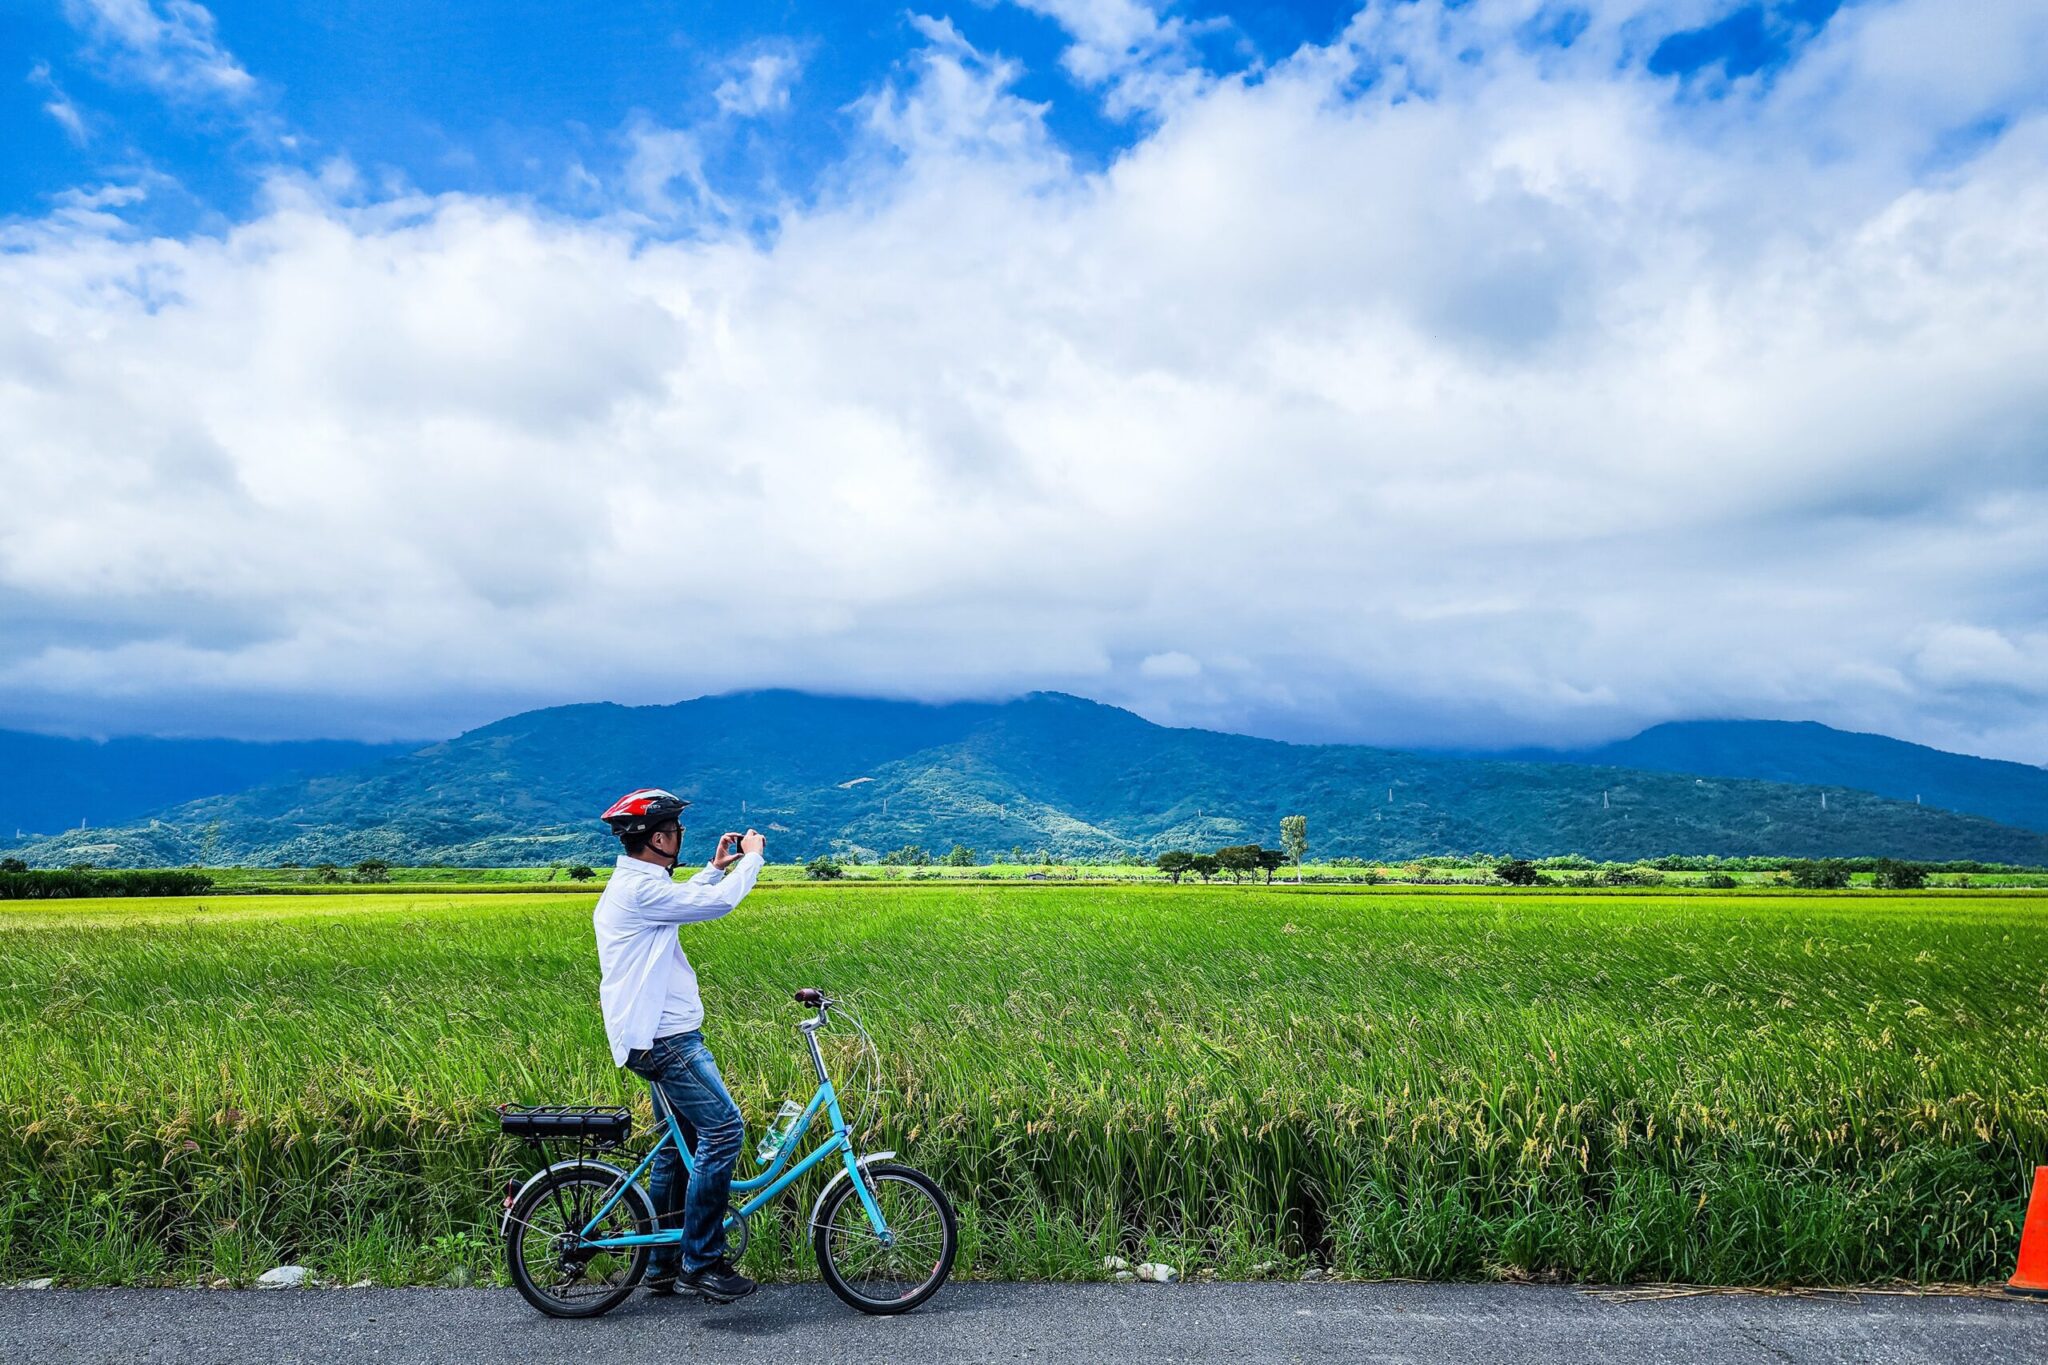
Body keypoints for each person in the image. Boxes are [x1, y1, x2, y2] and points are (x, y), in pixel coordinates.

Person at [592, 787, 766, 1301]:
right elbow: (715, 904)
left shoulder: (637, 884)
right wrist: (750, 862)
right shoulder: (640, 891)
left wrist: (715, 867)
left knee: (677, 1148)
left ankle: (661, 1264)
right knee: (725, 1130)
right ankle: (702, 1260)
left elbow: (685, 898)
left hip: (653, 1036)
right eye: (675, 831)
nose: (679, 838)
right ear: (658, 838)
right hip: (668, 1041)